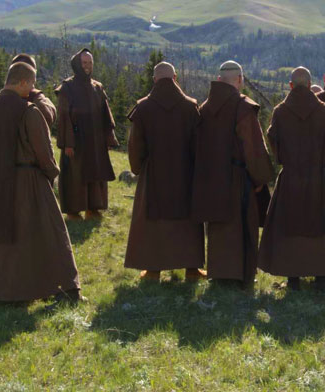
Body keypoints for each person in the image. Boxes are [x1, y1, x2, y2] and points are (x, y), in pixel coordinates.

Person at [0, 58, 82, 303]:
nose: (31, 89)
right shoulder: (28, 111)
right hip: (28, 180)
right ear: (21, 82)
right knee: (51, 233)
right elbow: (43, 150)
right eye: (30, 84)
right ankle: (65, 289)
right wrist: (51, 174)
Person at [259, 67, 325, 289]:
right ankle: (322, 276)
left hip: (290, 177)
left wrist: (283, 159)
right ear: (310, 85)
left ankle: (293, 278)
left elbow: (273, 139)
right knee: (322, 224)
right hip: (318, 176)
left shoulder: (280, 112)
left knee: (290, 225)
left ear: (291, 86)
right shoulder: (324, 110)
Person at [192, 61, 274, 287]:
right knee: (241, 225)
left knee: (217, 227)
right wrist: (260, 178)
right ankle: (240, 276)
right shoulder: (243, 107)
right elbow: (253, 147)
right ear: (240, 80)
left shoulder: (204, 108)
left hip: (211, 177)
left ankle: (218, 273)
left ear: (219, 80)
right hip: (238, 178)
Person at [124, 62, 205, 281]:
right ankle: (191, 269)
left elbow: (135, 145)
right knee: (187, 220)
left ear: (154, 80)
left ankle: (152, 269)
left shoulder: (143, 108)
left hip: (154, 173)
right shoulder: (191, 106)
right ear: (175, 78)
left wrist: (138, 168)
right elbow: (199, 145)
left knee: (154, 219)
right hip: (185, 173)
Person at [55, 48, 118, 220]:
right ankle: (73, 211)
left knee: (95, 173)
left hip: (96, 140)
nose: (88, 66)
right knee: (75, 175)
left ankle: (93, 208)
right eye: (84, 63)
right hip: (76, 140)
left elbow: (106, 114)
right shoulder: (67, 87)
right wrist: (68, 142)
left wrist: (108, 138)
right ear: (77, 64)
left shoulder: (97, 87)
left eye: (90, 63)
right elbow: (64, 116)